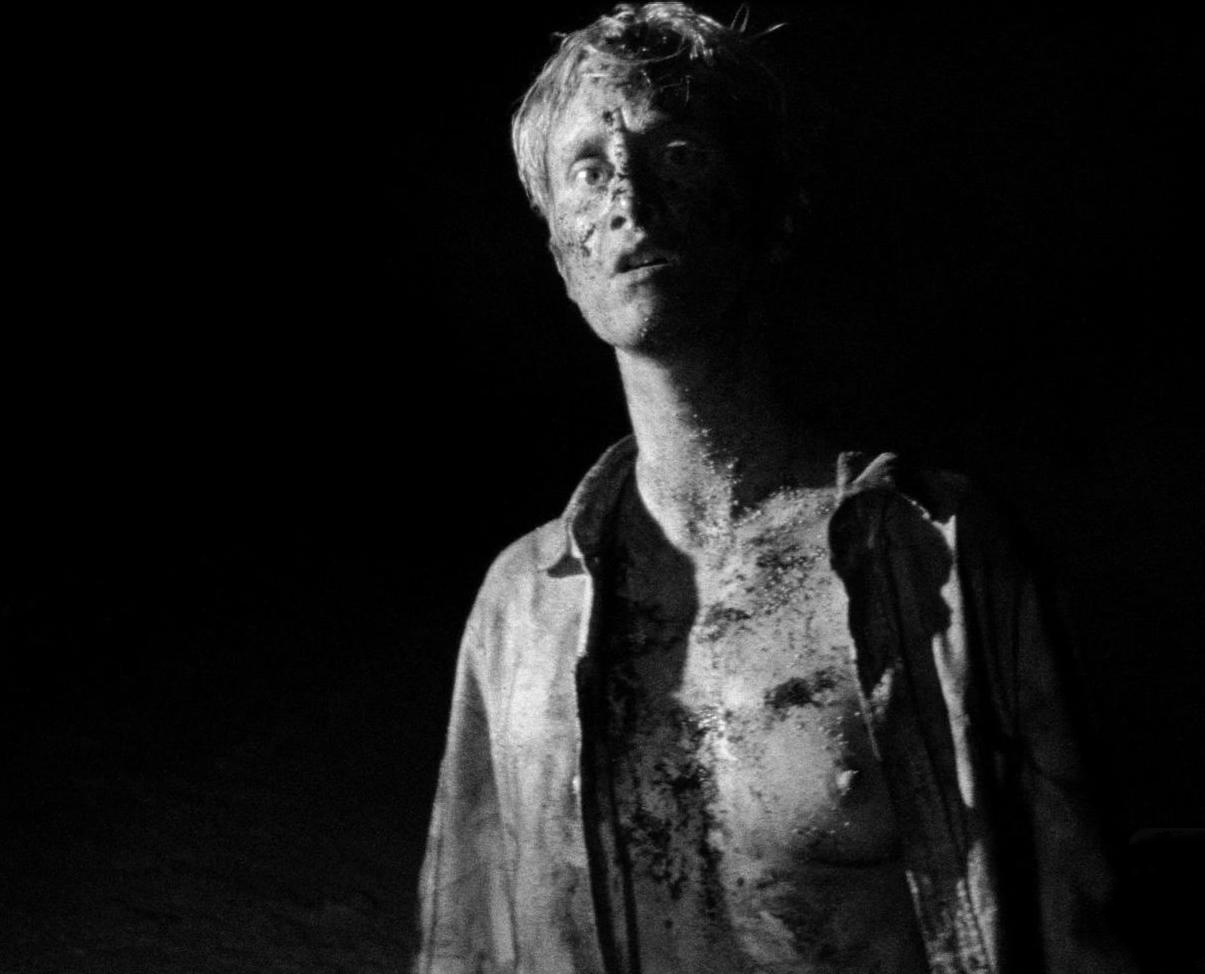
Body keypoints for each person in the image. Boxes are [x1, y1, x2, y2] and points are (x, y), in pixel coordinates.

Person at [415, 5, 1134, 972]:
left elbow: (1076, 924)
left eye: (680, 155)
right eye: (587, 168)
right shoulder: (523, 608)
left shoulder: (936, 559)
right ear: (560, 255)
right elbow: (465, 944)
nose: (629, 197)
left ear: (772, 209)